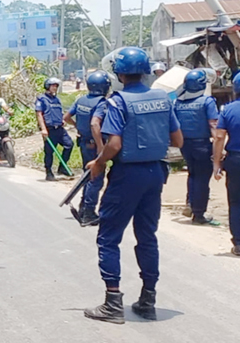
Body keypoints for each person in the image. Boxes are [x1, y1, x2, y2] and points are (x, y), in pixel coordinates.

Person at [83, 47, 183, 324]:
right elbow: (178, 141)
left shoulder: (118, 102)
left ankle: (113, 303)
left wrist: (99, 163)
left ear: (118, 74)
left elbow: (113, 144)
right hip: (156, 173)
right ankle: (148, 300)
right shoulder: (163, 98)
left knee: (108, 237)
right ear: (146, 70)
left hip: (127, 176)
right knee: (147, 236)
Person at [63, 71, 111, 226]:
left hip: (83, 142)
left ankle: (83, 207)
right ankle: (89, 212)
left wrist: (77, 126)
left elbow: (66, 117)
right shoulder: (101, 102)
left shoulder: (81, 100)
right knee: (95, 179)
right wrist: (100, 146)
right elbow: (95, 124)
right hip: (93, 144)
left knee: (88, 175)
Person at [174, 69, 219, 225]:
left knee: (192, 174)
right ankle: (199, 214)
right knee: (202, 178)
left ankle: (191, 204)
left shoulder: (178, 102)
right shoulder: (207, 102)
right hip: (202, 145)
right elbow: (213, 124)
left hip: (184, 145)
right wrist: (219, 146)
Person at [214, 72, 240, 256]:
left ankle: (238, 243)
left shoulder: (227, 110)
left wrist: (216, 163)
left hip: (236, 160)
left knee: (236, 201)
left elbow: (219, 137)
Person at [36, 77, 73, 181]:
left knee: (69, 145)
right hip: (49, 129)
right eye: (53, 86)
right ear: (48, 86)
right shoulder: (42, 99)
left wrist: (62, 120)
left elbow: (59, 112)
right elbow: (39, 114)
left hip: (59, 128)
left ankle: (62, 167)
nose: (55, 88)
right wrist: (43, 129)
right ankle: (48, 172)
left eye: (56, 86)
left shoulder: (57, 99)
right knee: (49, 152)